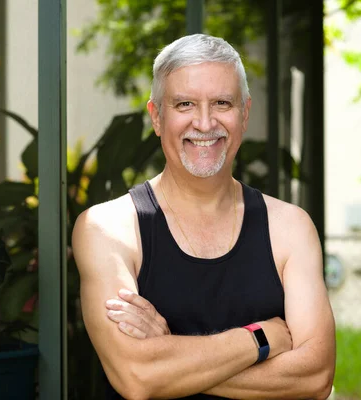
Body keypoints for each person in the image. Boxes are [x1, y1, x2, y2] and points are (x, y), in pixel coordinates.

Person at [72, 33, 336, 400]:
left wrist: (169, 354)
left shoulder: (289, 227)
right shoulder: (109, 228)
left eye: (222, 103)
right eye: (184, 104)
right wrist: (261, 339)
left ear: (244, 114)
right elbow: (136, 376)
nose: (205, 122)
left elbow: (316, 377)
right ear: (157, 117)